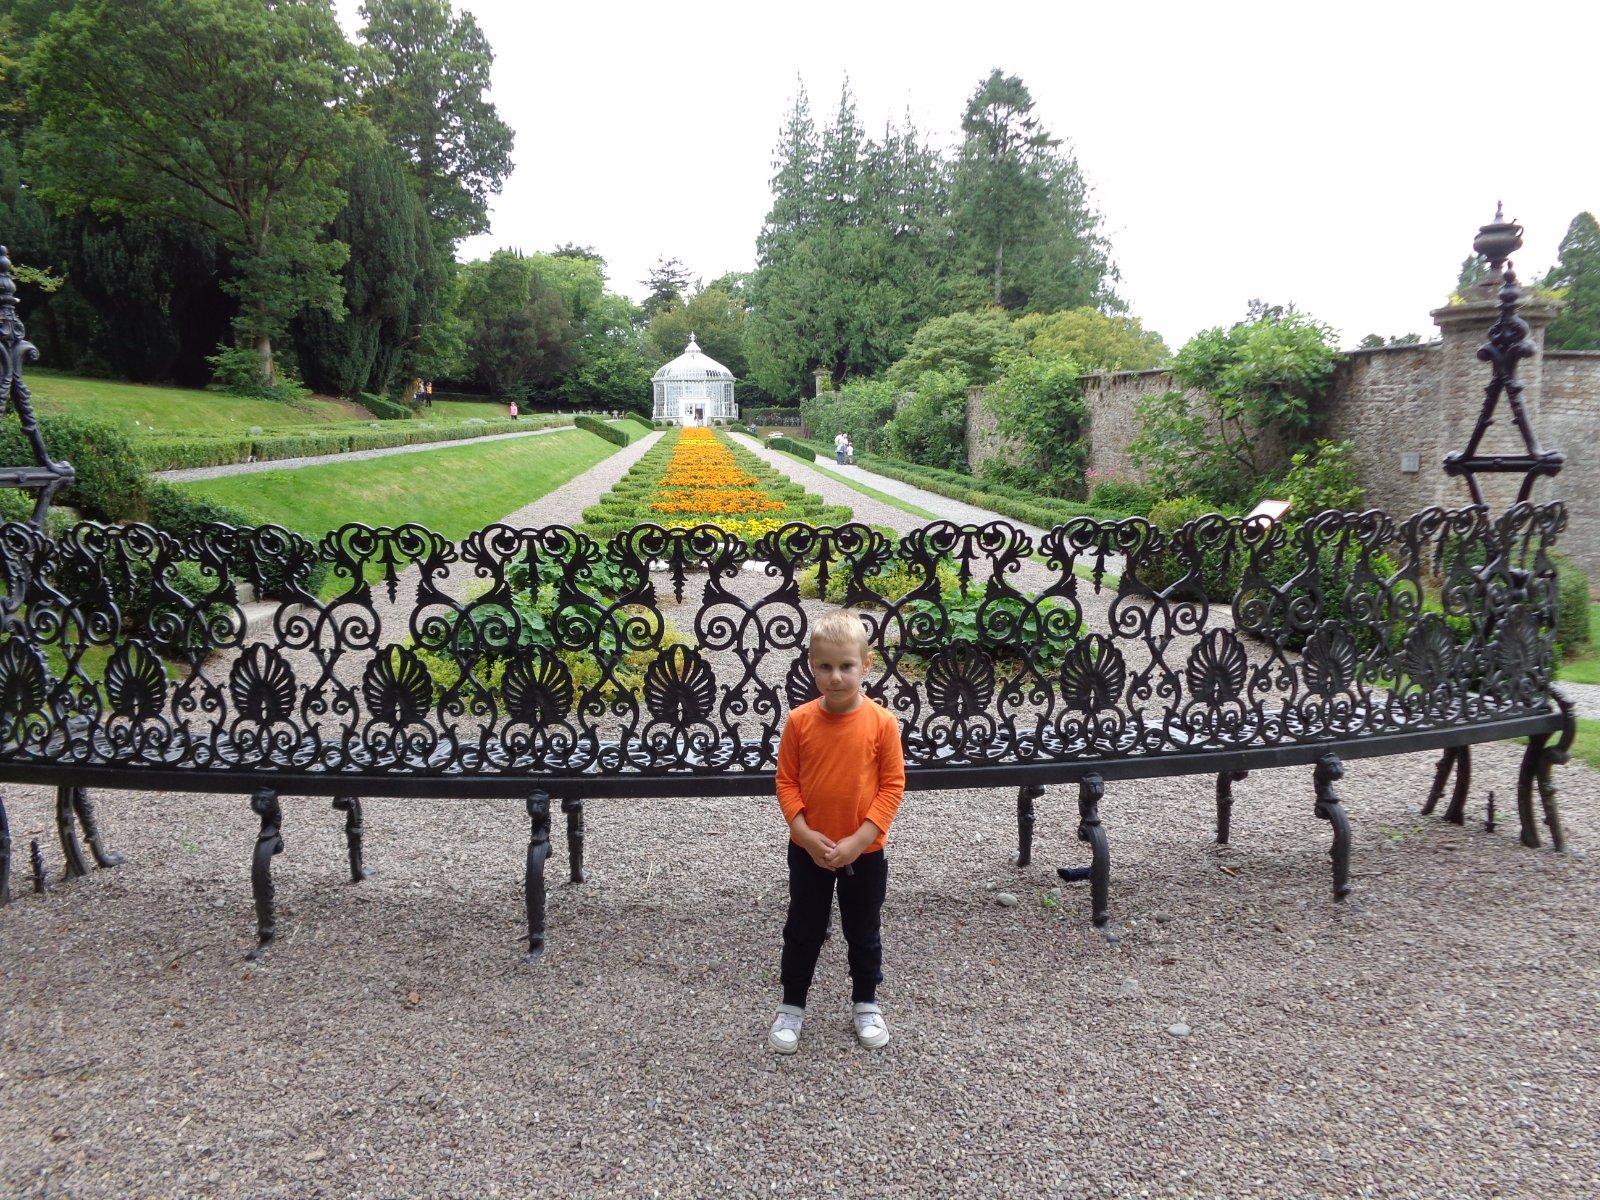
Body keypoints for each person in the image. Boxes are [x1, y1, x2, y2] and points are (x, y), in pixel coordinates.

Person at [769, 611, 905, 1054]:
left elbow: (892, 785)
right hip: (808, 849)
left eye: (846, 666)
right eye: (825, 666)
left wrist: (860, 839)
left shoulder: (882, 724)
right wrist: (803, 832)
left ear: (866, 665)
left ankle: (866, 1001)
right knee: (803, 928)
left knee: (863, 930)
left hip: (864, 853)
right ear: (811, 666)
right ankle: (792, 1003)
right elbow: (786, 782)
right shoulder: (799, 722)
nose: (836, 676)